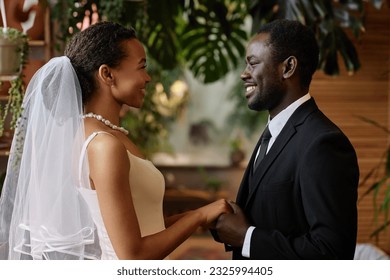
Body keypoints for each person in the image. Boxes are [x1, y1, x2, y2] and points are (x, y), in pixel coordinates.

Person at [0, 21, 231, 260]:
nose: (148, 77)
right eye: (142, 67)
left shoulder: (98, 135)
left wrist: (200, 214)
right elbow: (133, 256)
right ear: (107, 74)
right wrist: (200, 216)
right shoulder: (103, 145)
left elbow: (141, 225)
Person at [212, 19, 359, 259]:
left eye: (253, 63)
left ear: (288, 67)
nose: (244, 74)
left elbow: (333, 252)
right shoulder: (274, 131)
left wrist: (247, 237)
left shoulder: (323, 143)